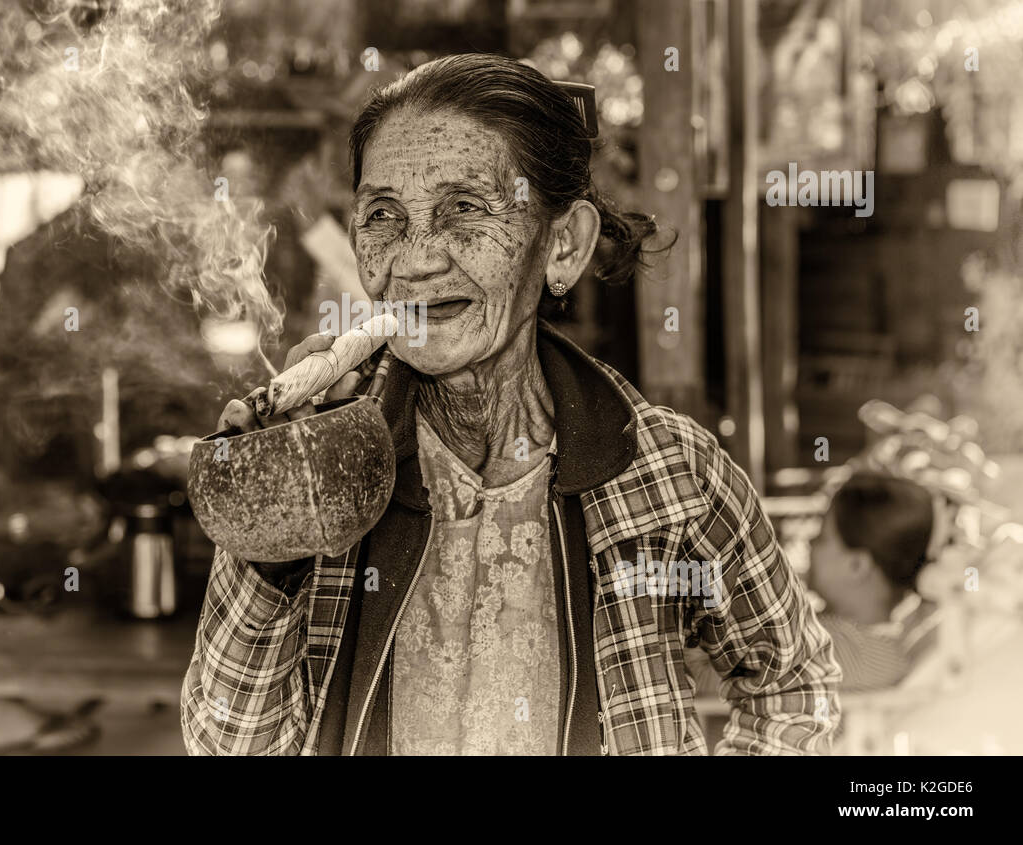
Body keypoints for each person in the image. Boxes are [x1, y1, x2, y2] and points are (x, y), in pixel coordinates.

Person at [183, 53, 840, 755]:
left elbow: (791, 684)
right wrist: (274, 524)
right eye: (383, 215)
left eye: (463, 208)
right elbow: (227, 744)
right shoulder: (325, 465)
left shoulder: (671, 475)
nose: (413, 259)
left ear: (563, 244)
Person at [808, 472, 941, 691]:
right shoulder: (851, 644)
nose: (811, 543)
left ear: (857, 566)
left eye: (822, 538)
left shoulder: (844, 653)